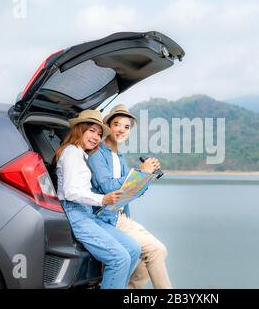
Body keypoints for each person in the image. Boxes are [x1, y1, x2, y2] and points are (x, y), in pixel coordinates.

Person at [54, 109, 141, 289]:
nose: (96, 137)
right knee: (119, 258)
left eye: (99, 133)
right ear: (80, 129)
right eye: (92, 130)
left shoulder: (82, 153)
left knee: (133, 249)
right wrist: (103, 199)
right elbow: (70, 192)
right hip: (75, 213)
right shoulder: (71, 153)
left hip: (88, 214)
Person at [88, 104, 172, 289]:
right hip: (104, 217)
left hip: (120, 216)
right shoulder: (97, 155)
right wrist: (140, 173)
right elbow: (107, 187)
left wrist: (148, 175)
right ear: (108, 126)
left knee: (157, 251)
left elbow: (132, 192)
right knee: (157, 250)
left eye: (126, 127)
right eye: (117, 124)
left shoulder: (121, 157)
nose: (122, 130)